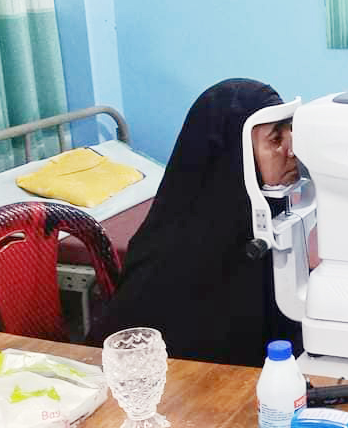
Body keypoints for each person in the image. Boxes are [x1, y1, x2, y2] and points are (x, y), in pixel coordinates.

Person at [87, 78, 303, 367]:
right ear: (234, 156)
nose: (292, 151)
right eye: (276, 140)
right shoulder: (173, 261)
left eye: (290, 134)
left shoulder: (268, 223)